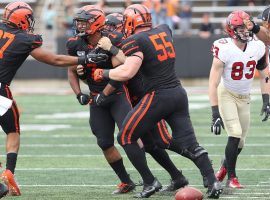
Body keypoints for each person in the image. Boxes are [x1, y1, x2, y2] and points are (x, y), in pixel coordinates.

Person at [93, 4, 223, 198]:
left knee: (126, 137)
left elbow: (128, 70)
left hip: (157, 96)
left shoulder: (135, 40)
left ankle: (149, 182)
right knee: (189, 143)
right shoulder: (164, 29)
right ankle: (212, 181)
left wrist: (103, 73)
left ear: (130, 22)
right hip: (178, 93)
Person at [0, 1, 94, 196]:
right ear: (22, 19)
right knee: (13, 130)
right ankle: (9, 171)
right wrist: (84, 59)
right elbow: (54, 59)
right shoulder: (25, 39)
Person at [97, 12, 189, 192]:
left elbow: (126, 68)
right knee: (149, 144)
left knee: (162, 140)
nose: (108, 31)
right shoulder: (114, 42)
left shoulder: (135, 41)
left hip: (149, 97)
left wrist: (112, 50)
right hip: (133, 99)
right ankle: (177, 176)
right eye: (105, 28)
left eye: (111, 27)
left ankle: (198, 156)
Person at [67, 5, 137, 195]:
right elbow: (72, 70)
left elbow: (123, 68)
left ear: (96, 23)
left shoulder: (113, 38)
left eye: (84, 23)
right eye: (79, 23)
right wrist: (78, 92)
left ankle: (149, 179)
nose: (80, 26)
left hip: (117, 94)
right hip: (96, 98)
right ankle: (126, 181)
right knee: (104, 142)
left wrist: (112, 50)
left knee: (130, 137)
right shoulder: (75, 43)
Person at [209, 10, 270, 189]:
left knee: (241, 141)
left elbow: (264, 73)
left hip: (245, 97)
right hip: (227, 93)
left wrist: (266, 100)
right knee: (234, 133)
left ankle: (223, 169)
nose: (245, 30)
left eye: (247, 26)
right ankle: (232, 178)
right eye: (240, 27)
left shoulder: (257, 46)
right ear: (231, 29)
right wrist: (214, 112)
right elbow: (213, 83)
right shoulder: (223, 47)